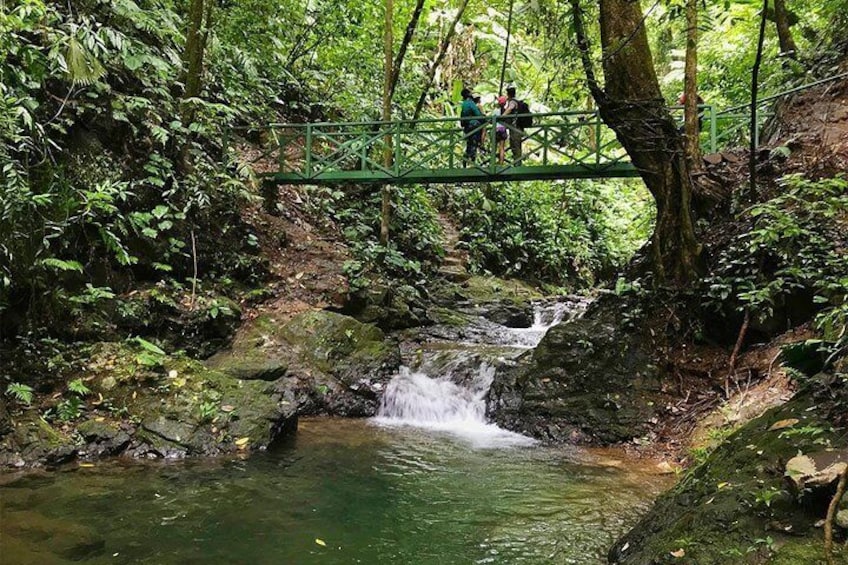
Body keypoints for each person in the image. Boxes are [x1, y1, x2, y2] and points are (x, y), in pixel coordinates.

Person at [501, 85, 527, 165]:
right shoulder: (517, 101)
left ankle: (517, 164)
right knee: (516, 144)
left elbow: (510, 109)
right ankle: (517, 162)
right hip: (518, 127)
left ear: (508, 93)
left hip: (515, 127)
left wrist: (501, 117)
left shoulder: (513, 102)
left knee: (515, 144)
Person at [460, 88, 483, 166]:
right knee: (474, 143)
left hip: (467, 127)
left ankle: (465, 159)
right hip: (474, 125)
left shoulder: (464, 104)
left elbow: (462, 115)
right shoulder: (470, 103)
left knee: (469, 143)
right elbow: (478, 114)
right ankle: (472, 161)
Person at [493, 96, 508, 164]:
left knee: (494, 147)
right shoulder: (506, 111)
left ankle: (492, 163)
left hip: (497, 129)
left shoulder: (496, 111)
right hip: (503, 129)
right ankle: (501, 162)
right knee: (501, 147)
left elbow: (492, 120)